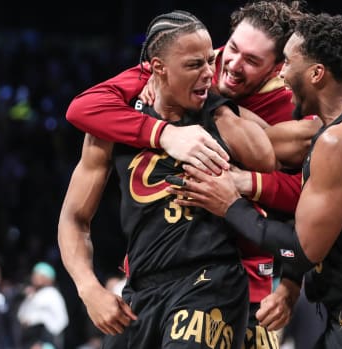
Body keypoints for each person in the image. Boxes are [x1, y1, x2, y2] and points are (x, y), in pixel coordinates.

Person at [166, 12, 342, 347]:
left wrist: (231, 205)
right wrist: (291, 284)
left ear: (317, 73)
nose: (281, 73)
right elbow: (322, 224)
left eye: (288, 63)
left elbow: (302, 248)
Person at [65, 2, 321, 344]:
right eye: (229, 50)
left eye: (252, 61)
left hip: (236, 279)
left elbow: (311, 194)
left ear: (276, 69)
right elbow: (82, 108)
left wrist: (245, 181)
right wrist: (164, 133)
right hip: (146, 279)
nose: (225, 66)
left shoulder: (281, 105)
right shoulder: (182, 59)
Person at [16, 262, 69, 349]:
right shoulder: (32, 294)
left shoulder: (52, 294)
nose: (35, 277)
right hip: (28, 339)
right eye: (35, 274)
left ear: (49, 279)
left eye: (40, 275)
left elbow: (62, 320)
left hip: (44, 340)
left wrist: (44, 343)